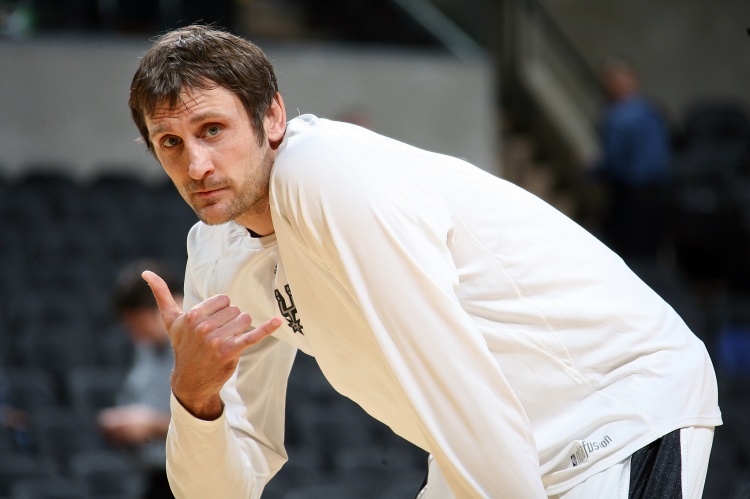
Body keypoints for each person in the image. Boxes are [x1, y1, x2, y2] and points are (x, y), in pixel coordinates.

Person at [128, 25, 721, 498]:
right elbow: (219, 492)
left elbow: (452, 370)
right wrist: (195, 399)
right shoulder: (214, 254)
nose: (197, 165)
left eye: (213, 129)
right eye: (170, 143)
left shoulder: (325, 173)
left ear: (272, 117)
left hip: (610, 409)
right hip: (491, 442)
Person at [97, 259, 181, 499]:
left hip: (200, 479)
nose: (136, 336)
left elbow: (228, 424)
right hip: (156, 475)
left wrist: (153, 425)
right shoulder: (146, 349)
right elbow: (133, 397)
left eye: (138, 325)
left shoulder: (206, 345)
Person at [589, 56, 673, 261]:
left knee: (621, 255)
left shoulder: (617, 116)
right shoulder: (653, 109)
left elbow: (614, 163)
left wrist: (590, 170)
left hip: (630, 196)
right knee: (648, 256)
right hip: (660, 193)